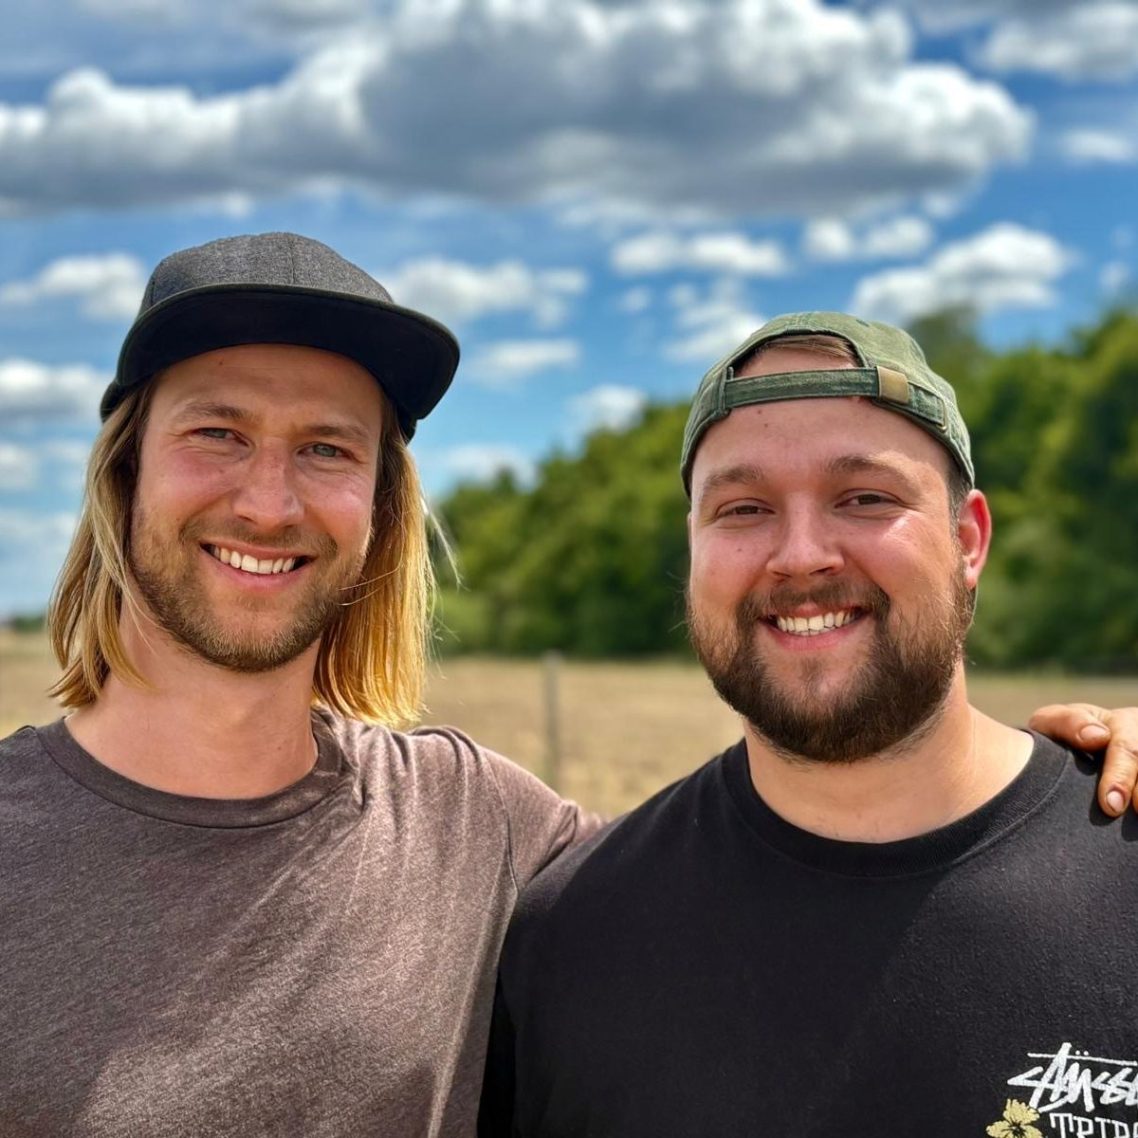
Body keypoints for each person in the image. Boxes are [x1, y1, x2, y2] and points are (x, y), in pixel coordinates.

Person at [0, 242, 1128, 1138]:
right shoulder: (15, 844)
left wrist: (1080, 775)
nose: (266, 499)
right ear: (124, 467)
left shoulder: (481, 834)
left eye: (328, 449)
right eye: (216, 432)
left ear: (380, 509)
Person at [480, 313, 1138, 1138]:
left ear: (968, 540)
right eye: (744, 508)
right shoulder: (571, 938)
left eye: (864, 497)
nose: (800, 555)